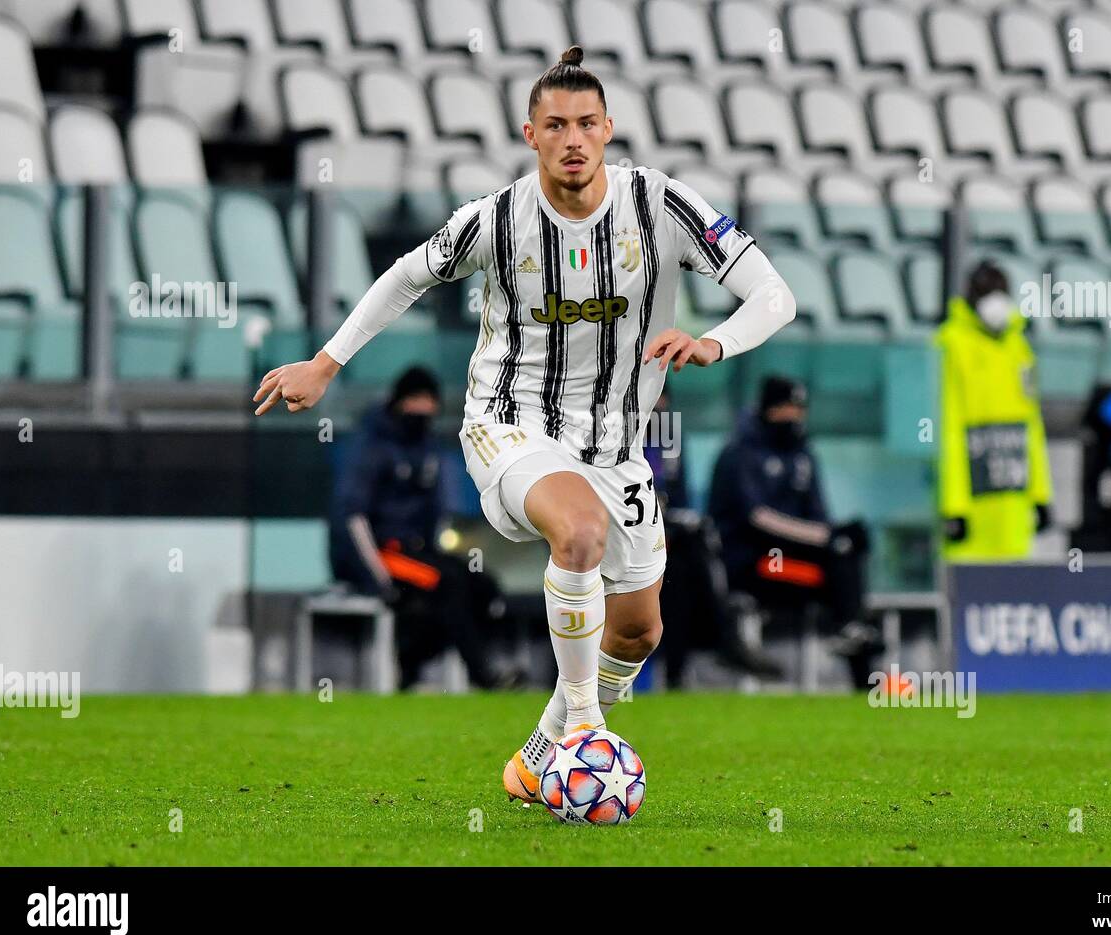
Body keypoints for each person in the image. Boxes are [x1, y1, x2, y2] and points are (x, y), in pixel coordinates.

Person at [253, 46, 797, 803]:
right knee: (577, 531)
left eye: (585, 124)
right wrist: (326, 360)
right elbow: (407, 275)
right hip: (510, 426)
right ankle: (581, 732)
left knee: (639, 631)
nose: (571, 139)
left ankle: (537, 758)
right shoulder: (497, 219)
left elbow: (775, 295)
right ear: (529, 134)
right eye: (554, 125)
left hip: (616, 446)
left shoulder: (660, 205)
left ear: (609, 128)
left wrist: (714, 342)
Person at [329, 366, 516, 689]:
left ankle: (414, 662)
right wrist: (377, 579)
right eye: (415, 400)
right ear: (399, 401)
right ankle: (483, 676)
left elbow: (439, 512)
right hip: (384, 554)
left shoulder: (428, 448)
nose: (423, 408)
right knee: (447, 583)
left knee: (482, 586)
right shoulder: (370, 447)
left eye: (429, 401)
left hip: (419, 551)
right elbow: (351, 517)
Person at [707, 376, 876, 687]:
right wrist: (825, 537)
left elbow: (818, 516)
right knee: (838, 556)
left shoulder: (803, 455)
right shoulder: (741, 453)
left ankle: (858, 654)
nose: (794, 416)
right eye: (786, 407)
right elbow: (757, 519)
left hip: (793, 563)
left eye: (799, 408)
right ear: (768, 409)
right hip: (756, 564)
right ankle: (853, 634)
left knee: (847, 549)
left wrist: (837, 535)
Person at [645, 388, 783, 684]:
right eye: (653, 396)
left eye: (663, 397)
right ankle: (724, 639)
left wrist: (673, 519)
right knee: (685, 563)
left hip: (664, 538)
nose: (660, 405)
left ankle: (680, 672)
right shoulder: (613, 432)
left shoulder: (668, 432)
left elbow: (676, 495)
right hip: (616, 538)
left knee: (682, 571)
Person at [936, 261, 1053, 561]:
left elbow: (1032, 427)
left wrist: (1040, 496)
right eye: (988, 292)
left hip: (1013, 511)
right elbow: (945, 428)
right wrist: (953, 506)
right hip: (972, 515)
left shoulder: (1019, 348)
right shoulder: (950, 345)